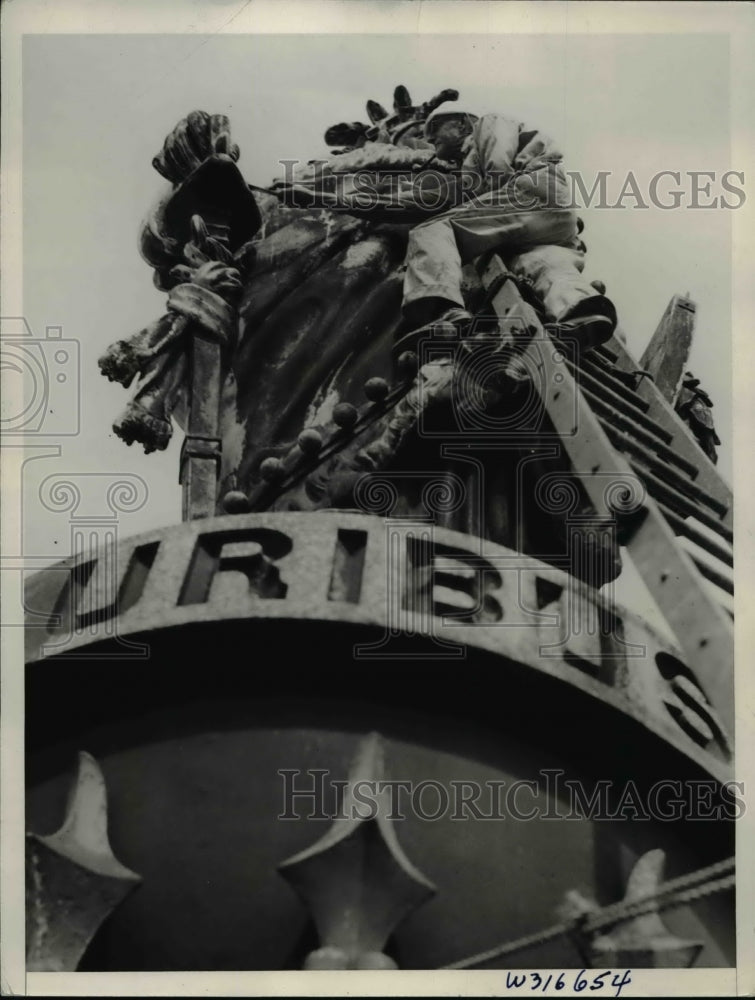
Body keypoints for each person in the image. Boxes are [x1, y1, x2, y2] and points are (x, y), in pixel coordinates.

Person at [401, 104, 618, 352]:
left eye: (434, 130)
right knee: (543, 262)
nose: (430, 139)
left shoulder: (488, 122)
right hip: (553, 217)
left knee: (432, 230)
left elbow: (499, 166)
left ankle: (439, 308)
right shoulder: (468, 158)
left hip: (528, 193)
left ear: (461, 123)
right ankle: (580, 310)